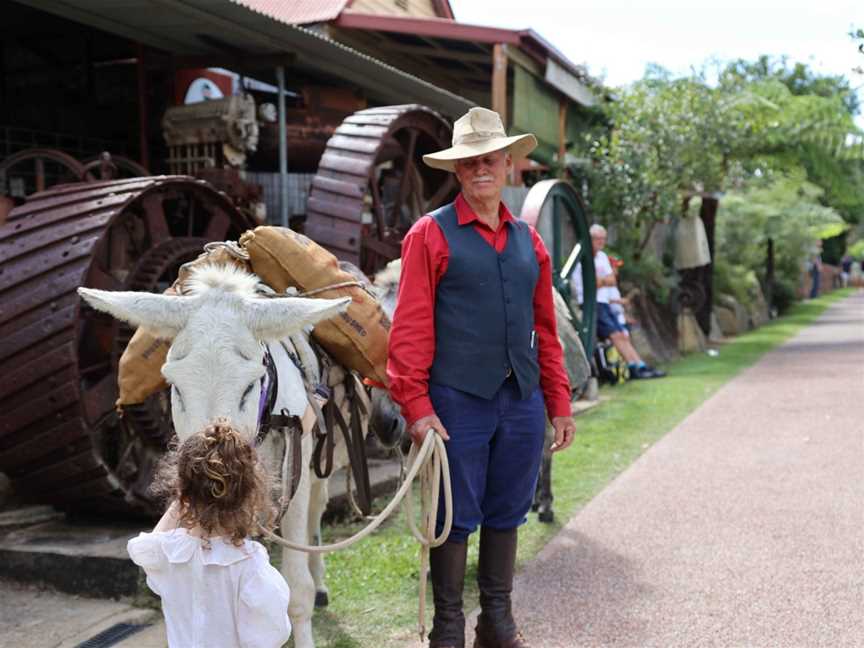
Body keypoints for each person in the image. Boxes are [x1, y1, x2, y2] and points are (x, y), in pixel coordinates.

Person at [388, 107, 577, 648]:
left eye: (489, 158)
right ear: (458, 171)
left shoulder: (529, 242)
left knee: (507, 511)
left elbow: (546, 327)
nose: (480, 169)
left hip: (520, 400)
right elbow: (410, 329)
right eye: (469, 162)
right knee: (453, 515)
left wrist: (558, 402)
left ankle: (495, 623)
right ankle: (447, 631)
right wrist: (417, 406)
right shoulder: (430, 234)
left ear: (508, 163)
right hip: (456, 398)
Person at [127, 419, 291, 648]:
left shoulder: (170, 554)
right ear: (249, 495)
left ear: (182, 495)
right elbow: (269, 637)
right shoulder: (250, 567)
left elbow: (145, 548)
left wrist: (183, 496)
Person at [571, 224, 665, 379]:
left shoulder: (602, 257)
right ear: (590, 239)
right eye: (598, 239)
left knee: (622, 334)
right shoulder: (582, 258)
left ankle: (640, 365)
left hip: (604, 302)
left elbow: (612, 280)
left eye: (603, 239)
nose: (601, 242)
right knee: (615, 335)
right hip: (591, 304)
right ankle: (633, 368)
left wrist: (600, 281)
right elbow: (590, 284)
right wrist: (601, 281)